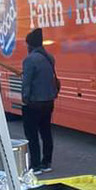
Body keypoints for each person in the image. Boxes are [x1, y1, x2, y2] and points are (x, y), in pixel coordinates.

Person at [21, 27, 59, 173]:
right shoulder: (50, 57)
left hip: (34, 103)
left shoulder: (30, 60)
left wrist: (25, 98)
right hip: (48, 101)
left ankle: (35, 165)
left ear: (30, 45)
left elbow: (27, 83)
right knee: (46, 132)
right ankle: (47, 162)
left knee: (32, 134)